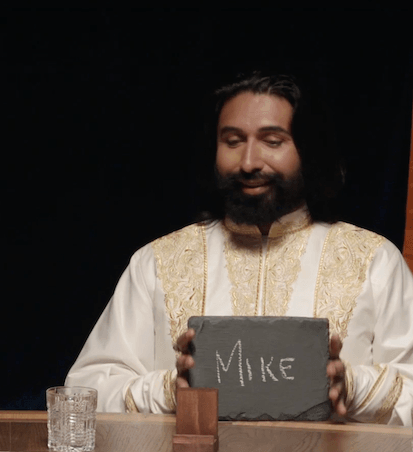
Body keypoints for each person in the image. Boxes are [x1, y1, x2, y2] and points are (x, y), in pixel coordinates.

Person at [66, 73, 413, 426]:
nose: (248, 162)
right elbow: (83, 393)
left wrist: (352, 387)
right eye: (232, 141)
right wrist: (170, 391)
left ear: (308, 149)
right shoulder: (157, 262)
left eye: (272, 141)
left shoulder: (374, 261)